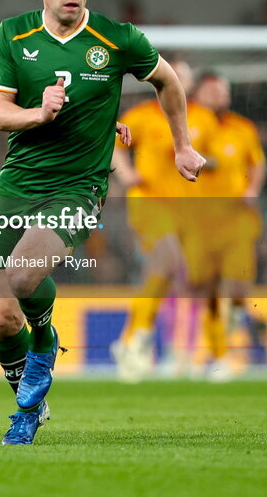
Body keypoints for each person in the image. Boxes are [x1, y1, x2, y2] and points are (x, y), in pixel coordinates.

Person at [0, 0, 206, 444]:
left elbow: (168, 82)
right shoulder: (14, 36)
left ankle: (44, 345)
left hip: (79, 186)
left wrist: (182, 147)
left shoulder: (117, 38)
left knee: (22, 278)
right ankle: (28, 405)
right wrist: (39, 113)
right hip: (18, 183)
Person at [109, 62, 216, 382]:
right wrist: (127, 177)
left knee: (174, 277)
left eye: (184, 77)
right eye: (174, 75)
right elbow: (114, 147)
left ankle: (141, 343)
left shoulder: (204, 119)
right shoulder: (141, 116)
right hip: (149, 203)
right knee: (168, 264)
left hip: (190, 210)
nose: (178, 82)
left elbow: (211, 162)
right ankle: (137, 341)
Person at [182, 72, 266, 381]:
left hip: (236, 220)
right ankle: (220, 356)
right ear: (199, 93)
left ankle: (238, 322)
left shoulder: (243, 129)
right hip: (200, 222)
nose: (220, 95)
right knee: (208, 291)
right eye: (213, 90)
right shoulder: (187, 125)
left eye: (223, 90)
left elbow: (257, 162)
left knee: (238, 287)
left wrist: (253, 188)